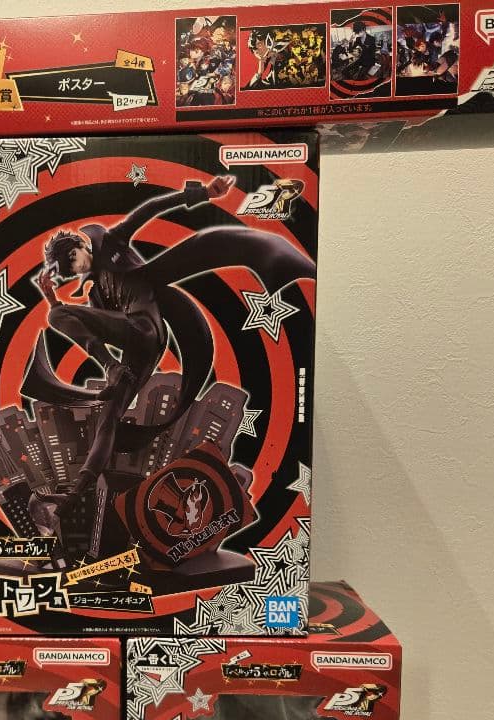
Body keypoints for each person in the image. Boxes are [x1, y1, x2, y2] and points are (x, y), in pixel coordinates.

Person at [24, 175, 314, 507]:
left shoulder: (112, 242)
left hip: (145, 329)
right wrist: (52, 299)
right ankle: (76, 493)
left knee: (58, 316)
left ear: (80, 246)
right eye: (71, 271)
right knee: (108, 418)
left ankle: (111, 368)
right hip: (136, 353)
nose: (77, 269)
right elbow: (89, 326)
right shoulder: (97, 294)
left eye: (73, 260)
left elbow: (148, 209)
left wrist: (203, 193)